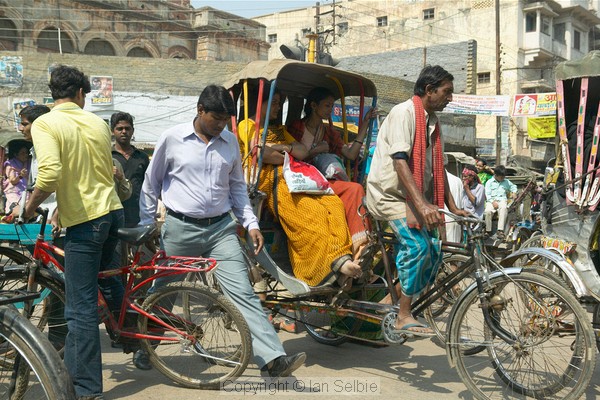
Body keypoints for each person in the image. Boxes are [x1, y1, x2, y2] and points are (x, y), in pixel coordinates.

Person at [139, 84, 305, 378]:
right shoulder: (172, 138)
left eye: (224, 120)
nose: (220, 125)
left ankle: (273, 359)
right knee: (163, 292)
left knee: (243, 293)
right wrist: (146, 225)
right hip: (180, 229)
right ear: (200, 110)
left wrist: (251, 223)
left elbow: (238, 189)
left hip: (221, 230)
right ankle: (144, 345)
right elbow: (151, 185)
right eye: (215, 118)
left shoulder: (229, 141)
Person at [21, 65, 124, 399]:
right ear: (81, 94)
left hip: (85, 221)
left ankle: (85, 387)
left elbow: (50, 174)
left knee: (79, 309)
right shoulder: (96, 122)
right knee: (105, 282)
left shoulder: (45, 123)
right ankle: (130, 331)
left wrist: (30, 205)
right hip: (112, 213)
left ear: (53, 93)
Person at [366, 65, 467, 337]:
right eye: (446, 92)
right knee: (418, 247)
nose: (450, 98)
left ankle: (389, 303)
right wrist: (421, 204)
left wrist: (453, 206)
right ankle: (403, 315)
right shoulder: (404, 113)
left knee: (434, 251)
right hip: (388, 196)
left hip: (412, 198)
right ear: (429, 90)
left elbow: (438, 168)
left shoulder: (432, 121)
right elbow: (400, 161)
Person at [237, 86, 362, 287]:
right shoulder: (247, 125)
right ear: (260, 104)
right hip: (272, 180)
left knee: (333, 206)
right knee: (312, 212)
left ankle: (342, 259)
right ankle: (328, 265)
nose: (279, 107)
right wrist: (288, 153)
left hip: (295, 175)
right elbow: (262, 155)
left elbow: (302, 152)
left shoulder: (280, 130)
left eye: (280, 103)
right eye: (275, 103)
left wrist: (281, 149)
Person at [287, 87, 376, 258]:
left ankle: (361, 248)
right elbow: (289, 158)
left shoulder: (329, 132)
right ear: (314, 106)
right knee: (355, 189)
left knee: (355, 189)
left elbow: (350, 154)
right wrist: (315, 151)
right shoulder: (296, 127)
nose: (330, 110)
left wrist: (364, 125)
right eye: (327, 106)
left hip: (324, 182)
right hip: (301, 180)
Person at [110, 112, 149, 228]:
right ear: (113, 131)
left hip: (138, 214)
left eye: (127, 128)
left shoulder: (142, 157)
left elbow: (149, 185)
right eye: (119, 129)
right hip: (114, 214)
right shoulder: (107, 156)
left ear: (132, 130)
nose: (124, 132)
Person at [484, 164, 517, 239]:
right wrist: (493, 202)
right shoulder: (489, 182)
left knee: (504, 208)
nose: (502, 178)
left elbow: (513, 186)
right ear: (496, 175)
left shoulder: (506, 182)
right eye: (501, 176)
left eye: (503, 176)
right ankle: (488, 230)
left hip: (502, 200)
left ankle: (500, 230)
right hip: (491, 201)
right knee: (487, 211)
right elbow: (487, 194)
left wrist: (514, 192)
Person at [3, 142, 30, 213]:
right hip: (14, 191)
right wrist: (20, 175)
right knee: (15, 208)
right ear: (16, 154)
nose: (26, 155)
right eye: (22, 153)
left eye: (26, 153)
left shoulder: (30, 162)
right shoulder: (10, 164)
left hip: (27, 191)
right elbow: (13, 181)